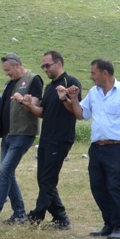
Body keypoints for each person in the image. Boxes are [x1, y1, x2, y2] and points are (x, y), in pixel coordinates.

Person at [61, 59, 120, 239]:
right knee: (97, 186)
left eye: (93, 73)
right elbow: (81, 115)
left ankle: (119, 226)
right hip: (96, 147)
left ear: (104, 73)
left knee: (115, 186)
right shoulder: (94, 93)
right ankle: (108, 223)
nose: (91, 76)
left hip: (117, 147)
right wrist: (73, 99)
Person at [18, 51, 81, 229]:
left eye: (48, 65)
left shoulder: (71, 83)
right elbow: (43, 113)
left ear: (59, 64)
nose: (45, 69)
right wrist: (28, 105)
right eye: (43, 66)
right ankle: (60, 218)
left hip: (61, 138)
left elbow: (75, 111)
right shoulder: (49, 87)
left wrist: (65, 98)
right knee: (43, 179)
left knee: (48, 179)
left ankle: (36, 216)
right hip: (46, 137)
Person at [0, 54, 43, 224]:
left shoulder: (33, 79)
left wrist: (25, 101)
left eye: (8, 70)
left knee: (5, 171)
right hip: (7, 134)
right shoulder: (9, 83)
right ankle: (19, 213)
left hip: (22, 133)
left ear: (18, 65)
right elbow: (2, 107)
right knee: (8, 173)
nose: (7, 74)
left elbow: (35, 105)